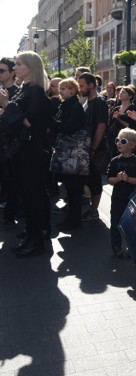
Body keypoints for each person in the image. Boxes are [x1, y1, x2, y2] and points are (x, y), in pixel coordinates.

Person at [0, 51, 54, 257]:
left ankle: (36, 240)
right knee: (30, 194)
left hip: (32, 151)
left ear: (30, 67)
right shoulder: (27, 90)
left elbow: (33, 124)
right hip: (25, 151)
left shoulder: (35, 92)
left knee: (33, 195)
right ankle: (34, 234)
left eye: (19, 64)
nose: (15, 68)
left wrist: (7, 106)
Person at [48, 77, 87, 231]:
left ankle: (74, 221)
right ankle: (71, 219)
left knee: (74, 189)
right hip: (68, 152)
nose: (60, 91)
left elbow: (69, 127)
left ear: (72, 90)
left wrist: (50, 122)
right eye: (60, 89)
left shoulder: (74, 106)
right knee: (70, 189)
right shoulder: (67, 104)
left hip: (72, 152)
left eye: (63, 89)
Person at [106, 128, 136, 257]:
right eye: (117, 140)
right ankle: (116, 246)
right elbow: (109, 180)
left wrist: (127, 179)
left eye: (123, 141)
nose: (118, 143)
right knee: (115, 222)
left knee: (132, 224)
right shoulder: (114, 161)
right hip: (117, 198)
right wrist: (118, 178)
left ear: (132, 145)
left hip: (133, 199)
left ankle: (130, 247)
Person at [77, 72, 108, 222]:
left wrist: (93, 149)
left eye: (81, 85)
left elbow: (101, 127)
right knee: (88, 179)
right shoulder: (87, 101)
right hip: (86, 148)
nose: (79, 88)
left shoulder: (100, 102)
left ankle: (94, 211)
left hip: (96, 149)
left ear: (91, 85)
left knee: (95, 180)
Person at [0, 57, 20, 232]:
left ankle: (10, 215)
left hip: (11, 148)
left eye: (1, 71)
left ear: (12, 73)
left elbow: (18, 124)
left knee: (11, 183)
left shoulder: (17, 93)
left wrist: (5, 108)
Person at [106, 86, 136, 155]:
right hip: (114, 139)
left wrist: (119, 118)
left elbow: (131, 126)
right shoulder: (116, 108)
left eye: (123, 92)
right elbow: (110, 123)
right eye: (120, 92)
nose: (120, 94)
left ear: (130, 96)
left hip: (126, 140)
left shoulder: (133, 108)